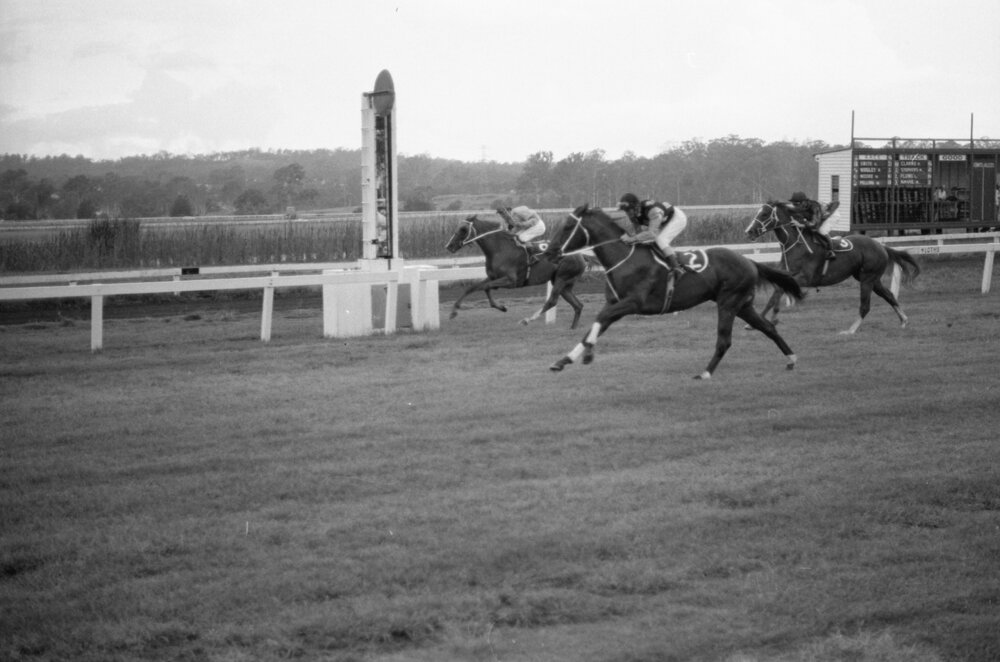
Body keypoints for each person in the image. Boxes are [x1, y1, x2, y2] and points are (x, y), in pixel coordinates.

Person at [617, 193, 688, 277]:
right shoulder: (634, 214)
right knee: (651, 242)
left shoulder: (652, 211)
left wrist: (631, 239)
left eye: (628, 210)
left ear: (635, 207)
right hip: (664, 220)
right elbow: (638, 234)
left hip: (677, 218)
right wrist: (630, 239)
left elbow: (652, 234)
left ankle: (677, 268)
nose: (627, 213)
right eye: (625, 211)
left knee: (661, 240)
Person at [789, 191, 835, 259]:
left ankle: (830, 251)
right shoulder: (802, 206)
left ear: (803, 202)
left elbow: (814, 224)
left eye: (796, 204)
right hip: (818, 217)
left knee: (821, 230)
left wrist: (801, 225)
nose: (795, 206)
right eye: (794, 204)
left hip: (831, 216)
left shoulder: (814, 206)